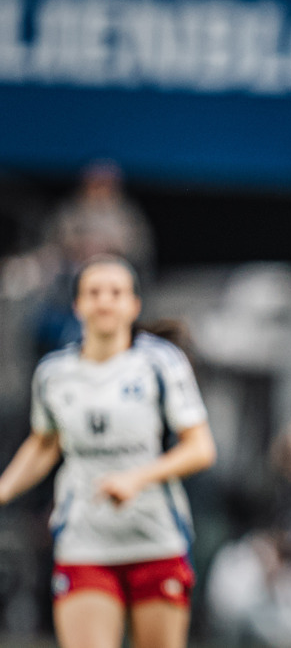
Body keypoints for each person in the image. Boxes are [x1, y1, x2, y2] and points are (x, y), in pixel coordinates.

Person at [0, 255, 217, 648]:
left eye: (115, 293)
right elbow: (45, 444)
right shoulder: (53, 373)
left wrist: (136, 478)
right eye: (94, 293)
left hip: (155, 539)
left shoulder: (160, 363)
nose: (104, 302)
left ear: (133, 305)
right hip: (84, 541)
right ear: (78, 304)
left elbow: (200, 448)